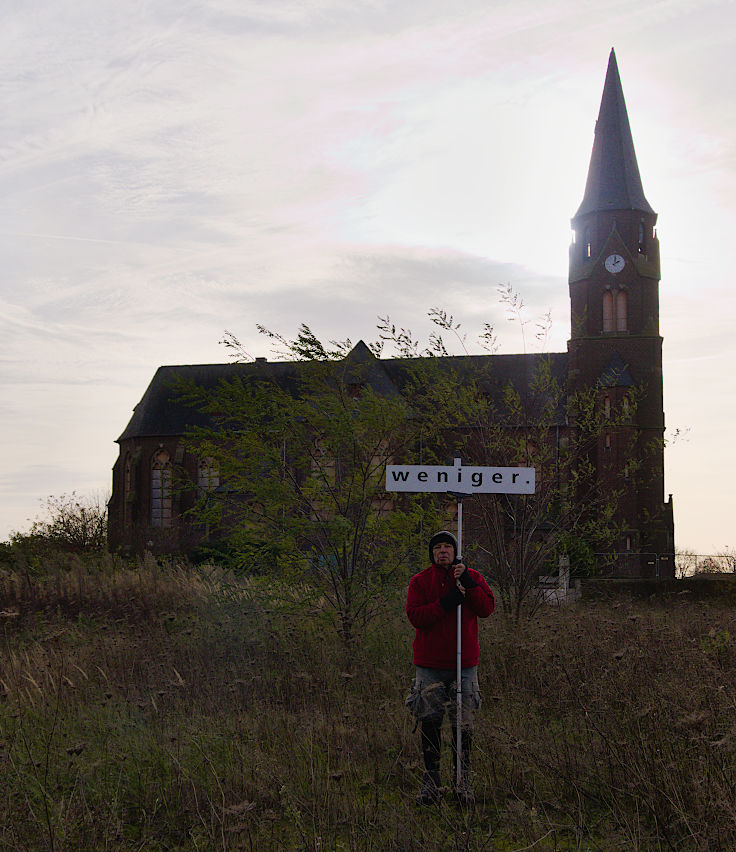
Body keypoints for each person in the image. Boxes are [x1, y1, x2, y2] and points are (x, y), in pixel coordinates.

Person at [405, 530, 494, 806]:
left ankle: (462, 781)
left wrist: (466, 583)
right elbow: (416, 616)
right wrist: (446, 603)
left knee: (463, 724)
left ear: (455, 551)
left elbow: (487, 608)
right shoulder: (420, 582)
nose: (443, 551)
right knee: (430, 722)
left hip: (464, 665)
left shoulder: (471, 578)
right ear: (432, 553)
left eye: (447, 546)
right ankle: (431, 782)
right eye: (438, 547)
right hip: (430, 665)